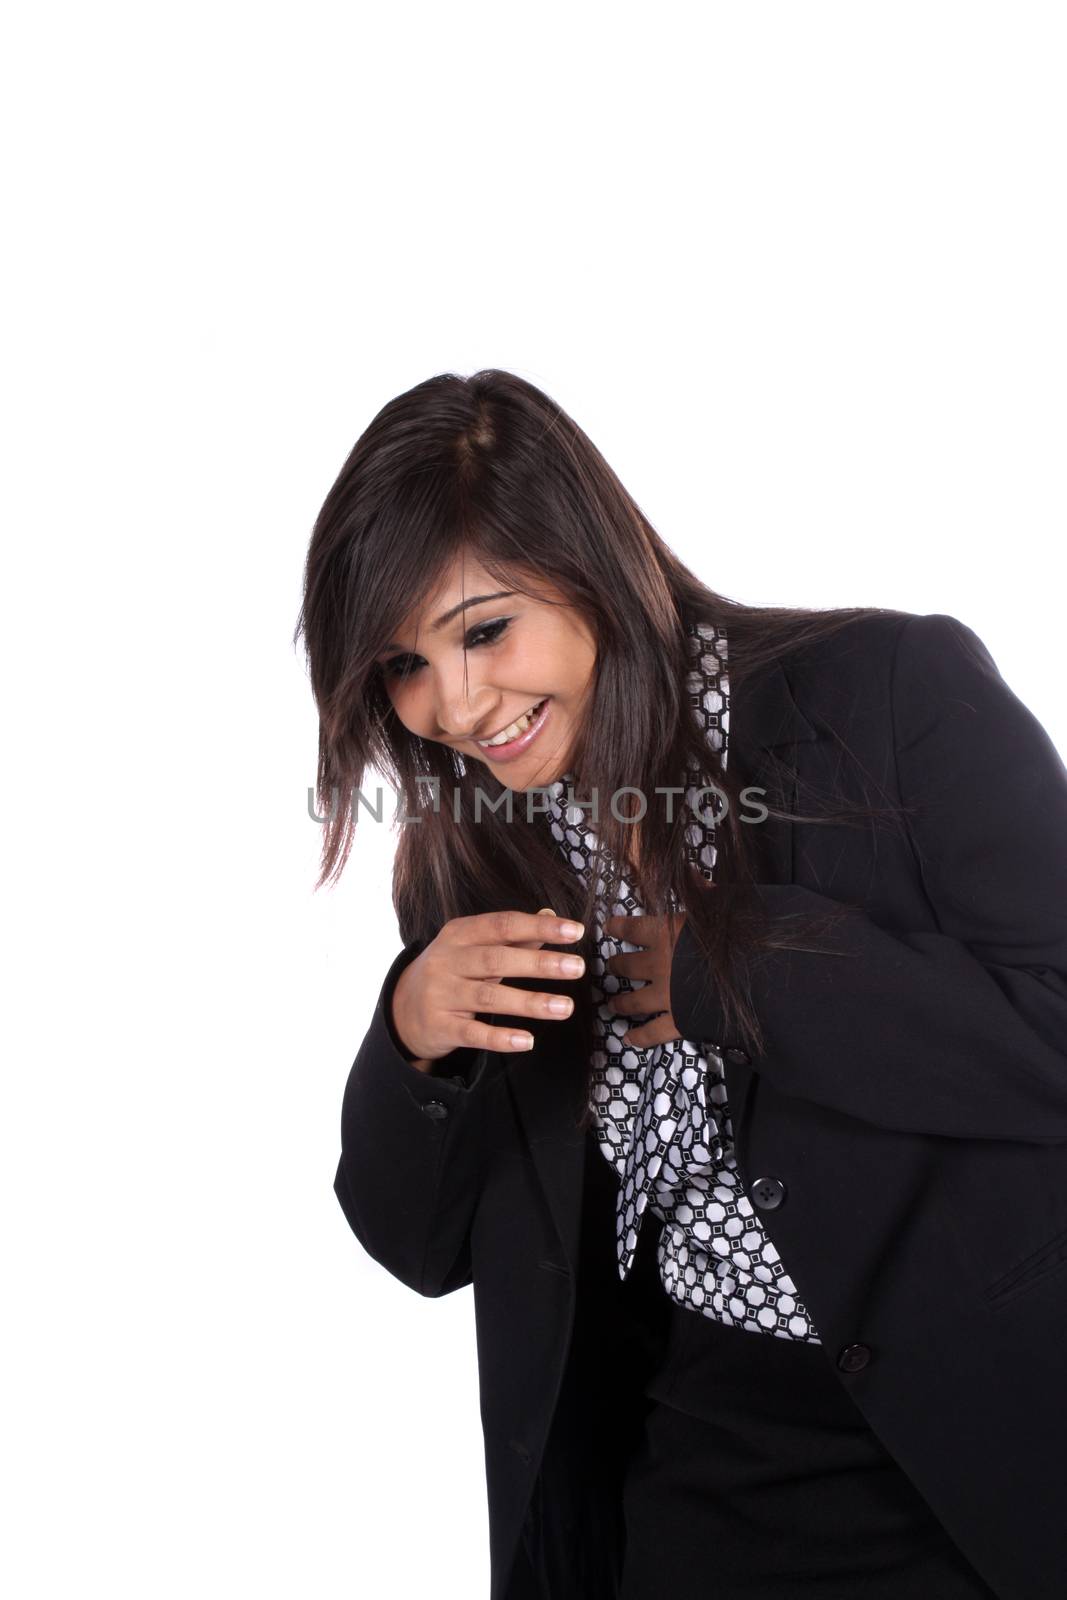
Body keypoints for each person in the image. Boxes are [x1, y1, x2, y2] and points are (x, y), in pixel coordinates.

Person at [296, 369, 1067, 1600]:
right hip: (691, 1490)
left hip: (979, 1463)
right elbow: (423, 1249)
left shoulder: (886, 696)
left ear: (590, 563)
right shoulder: (476, 863)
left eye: (484, 629)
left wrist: (745, 966)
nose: (452, 705)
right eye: (400, 664)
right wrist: (411, 1044)